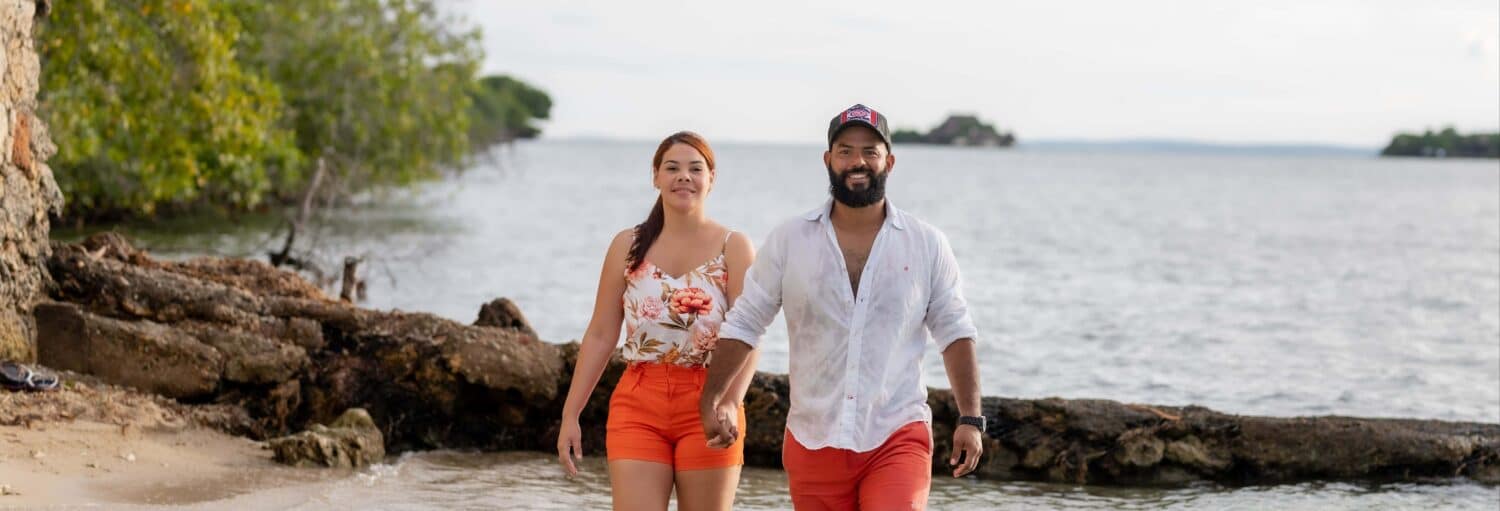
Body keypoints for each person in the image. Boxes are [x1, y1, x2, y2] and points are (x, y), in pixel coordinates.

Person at [699, 105, 986, 510]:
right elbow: (746, 322)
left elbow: (955, 331)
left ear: (889, 160)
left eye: (871, 151)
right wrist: (711, 399)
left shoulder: (926, 244)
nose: (858, 162)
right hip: (812, 436)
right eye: (846, 150)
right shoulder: (789, 240)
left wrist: (970, 419)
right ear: (828, 159)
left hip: (896, 432)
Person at [556, 131, 759, 511]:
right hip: (638, 403)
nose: (684, 176)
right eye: (672, 168)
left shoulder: (734, 246)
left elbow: (749, 334)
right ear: (655, 177)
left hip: (709, 402)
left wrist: (730, 401)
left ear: (711, 178)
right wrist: (571, 413)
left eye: (695, 168)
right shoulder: (628, 246)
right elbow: (601, 334)